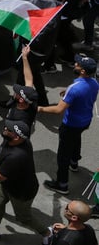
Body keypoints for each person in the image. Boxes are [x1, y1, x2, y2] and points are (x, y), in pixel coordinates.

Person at [0, 121, 52, 242]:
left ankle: (47, 233)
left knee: (23, 217)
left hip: (21, 191)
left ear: (16, 137)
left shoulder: (17, 156)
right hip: (7, 184)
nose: (5, 129)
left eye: (8, 129)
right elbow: (1, 154)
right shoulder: (11, 140)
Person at [38, 55, 99, 194]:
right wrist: (68, 91)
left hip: (71, 124)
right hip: (85, 121)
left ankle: (62, 184)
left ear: (83, 71)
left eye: (78, 64)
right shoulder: (94, 83)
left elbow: (59, 109)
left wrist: (40, 108)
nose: (75, 64)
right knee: (76, 138)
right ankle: (74, 161)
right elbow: (82, 91)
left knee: (62, 155)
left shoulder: (75, 88)